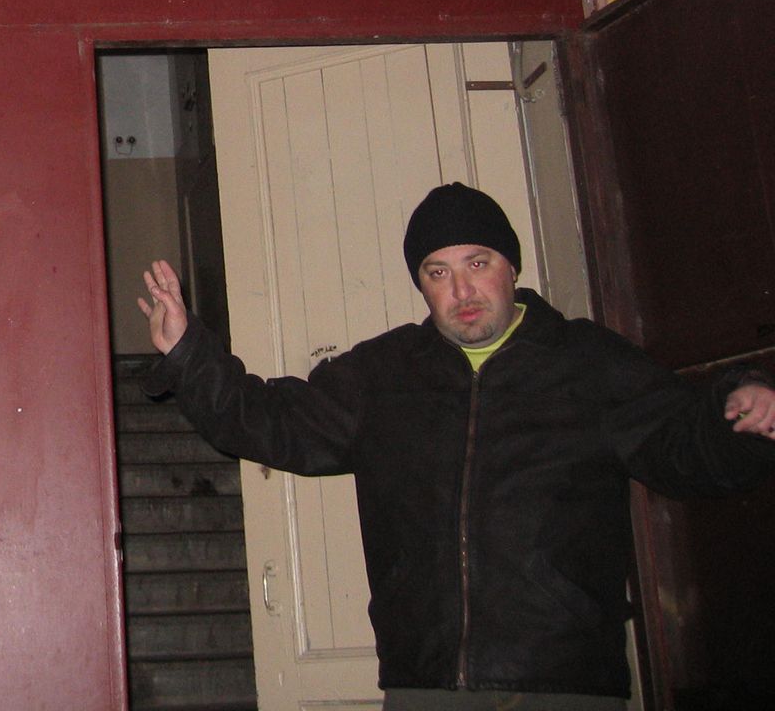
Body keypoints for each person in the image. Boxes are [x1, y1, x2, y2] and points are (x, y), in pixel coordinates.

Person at [138, 182, 775, 710]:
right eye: (437, 272)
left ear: (511, 267)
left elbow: (685, 450)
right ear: (421, 284)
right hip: (426, 683)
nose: (462, 291)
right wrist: (189, 352)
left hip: (565, 681)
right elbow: (268, 421)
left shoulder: (588, 363)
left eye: (478, 263)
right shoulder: (383, 375)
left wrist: (741, 412)